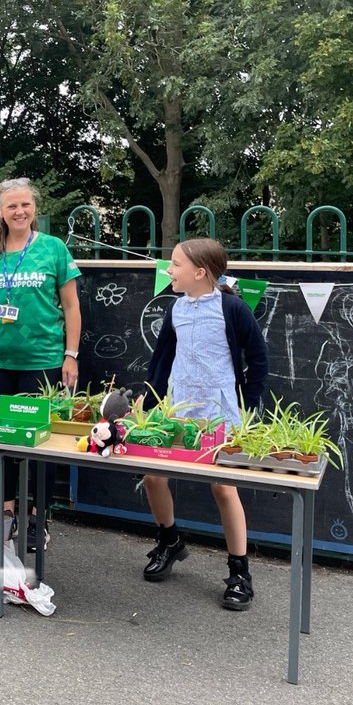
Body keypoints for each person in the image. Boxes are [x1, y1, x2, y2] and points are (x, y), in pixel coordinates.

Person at [139, 237, 269, 611]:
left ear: (200, 272)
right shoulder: (176, 309)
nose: (169, 270)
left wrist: (247, 407)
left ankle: (239, 572)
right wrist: (148, 406)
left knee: (223, 488)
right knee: (153, 477)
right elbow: (161, 361)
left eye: (176, 264)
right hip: (178, 410)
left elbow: (258, 359)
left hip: (220, 412)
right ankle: (169, 540)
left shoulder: (233, 308)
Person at [0, 177, 82, 551]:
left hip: (42, 361)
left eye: (25, 205)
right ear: (0, 211)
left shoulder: (53, 248)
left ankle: (37, 517)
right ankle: (7, 514)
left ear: (34, 209)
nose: (19, 211)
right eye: (12, 206)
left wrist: (71, 354)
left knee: (39, 445)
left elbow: (71, 306)